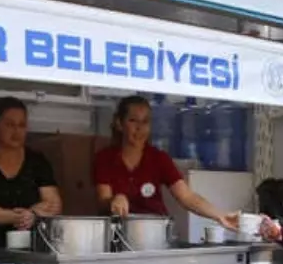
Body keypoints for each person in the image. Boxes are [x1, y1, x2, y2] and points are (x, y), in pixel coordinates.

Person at [94, 95, 237, 229]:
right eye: (133, 121)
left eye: (145, 122)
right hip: (119, 233)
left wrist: (220, 216)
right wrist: (115, 199)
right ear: (119, 124)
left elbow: (187, 196)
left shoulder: (159, 158)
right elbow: (103, 199)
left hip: (156, 232)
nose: (140, 128)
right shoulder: (104, 158)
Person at [0, 97, 62, 255]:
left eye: (22, 125)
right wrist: (15, 217)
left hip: (32, 245)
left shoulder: (37, 161)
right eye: (10, 125)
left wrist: (33, 215)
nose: (17, 131)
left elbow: (53, 203)